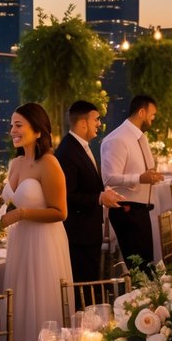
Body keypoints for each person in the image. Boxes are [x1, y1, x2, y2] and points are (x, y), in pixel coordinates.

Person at [1, 103, 70, 341]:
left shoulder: (49, 163)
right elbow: (8, 203)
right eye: (11, 125)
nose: (12, 130)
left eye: (18, 125)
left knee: (40, 302)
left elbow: (60, 212)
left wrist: (21, 214)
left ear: (38, 131)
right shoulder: (16, 163)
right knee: (19, 302)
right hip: (19, 242)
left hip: (44, 243)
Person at [55, 100, 122, 282]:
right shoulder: (67, 151)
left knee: (91, 279)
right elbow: (67, 195)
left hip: (88, 230)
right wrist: (99, 198)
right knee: (84, 284)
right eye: (96, 119)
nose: (99, 124)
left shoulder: (81, 146)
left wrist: (103, 191)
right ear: (83, 123)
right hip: (78, 234)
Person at [100, 95, 163, 272]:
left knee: (146, 263)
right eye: (152, 114)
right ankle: (137, 299)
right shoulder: (117, 139)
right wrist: (139, 178)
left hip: (141, 209)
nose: (153, 118)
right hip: (127, 210)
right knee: (139, 267)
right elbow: (109, 178)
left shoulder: (139, 137)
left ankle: (147, 297)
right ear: (141, 112)